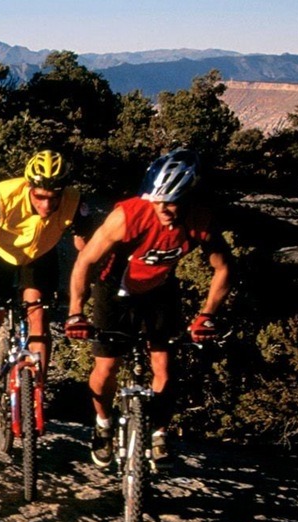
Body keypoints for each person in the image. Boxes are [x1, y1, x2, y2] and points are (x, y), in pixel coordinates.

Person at [64, 148, 233, 466]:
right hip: (114, 290)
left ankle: (158, 434)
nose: (164, 209)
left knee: (164, 369)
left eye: (172, 201)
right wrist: (76, 311)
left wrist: (207, 316)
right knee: (106, 368)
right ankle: (103, 426)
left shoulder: (199, 218)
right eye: (158, 200)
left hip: (159, 290)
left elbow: (224, 267)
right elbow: (86, 260)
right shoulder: (128, 215)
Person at [0, 149, 91, 416]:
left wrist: (92, 276)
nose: (47, 206)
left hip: (39, 255)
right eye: (40, 197)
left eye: (54, 198)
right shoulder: (0, 197)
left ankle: (38, 389)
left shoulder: (75, 201)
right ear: (29, 187)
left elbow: (86, 247)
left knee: (39, 318)